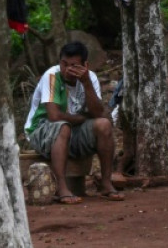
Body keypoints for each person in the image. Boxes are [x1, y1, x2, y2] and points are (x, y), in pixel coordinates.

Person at [24, 41, 124, 204]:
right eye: (64, 64)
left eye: (74, 65)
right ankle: (62, 188)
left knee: (103, 125)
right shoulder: (52, 76)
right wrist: (82, 118)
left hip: (73, 131)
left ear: (85, 65)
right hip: (41, 130)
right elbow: (54, 116)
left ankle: (106, 183)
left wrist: (86, 83)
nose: (67, 69)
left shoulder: (90, 78)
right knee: (62, 127)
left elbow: (98, 113)